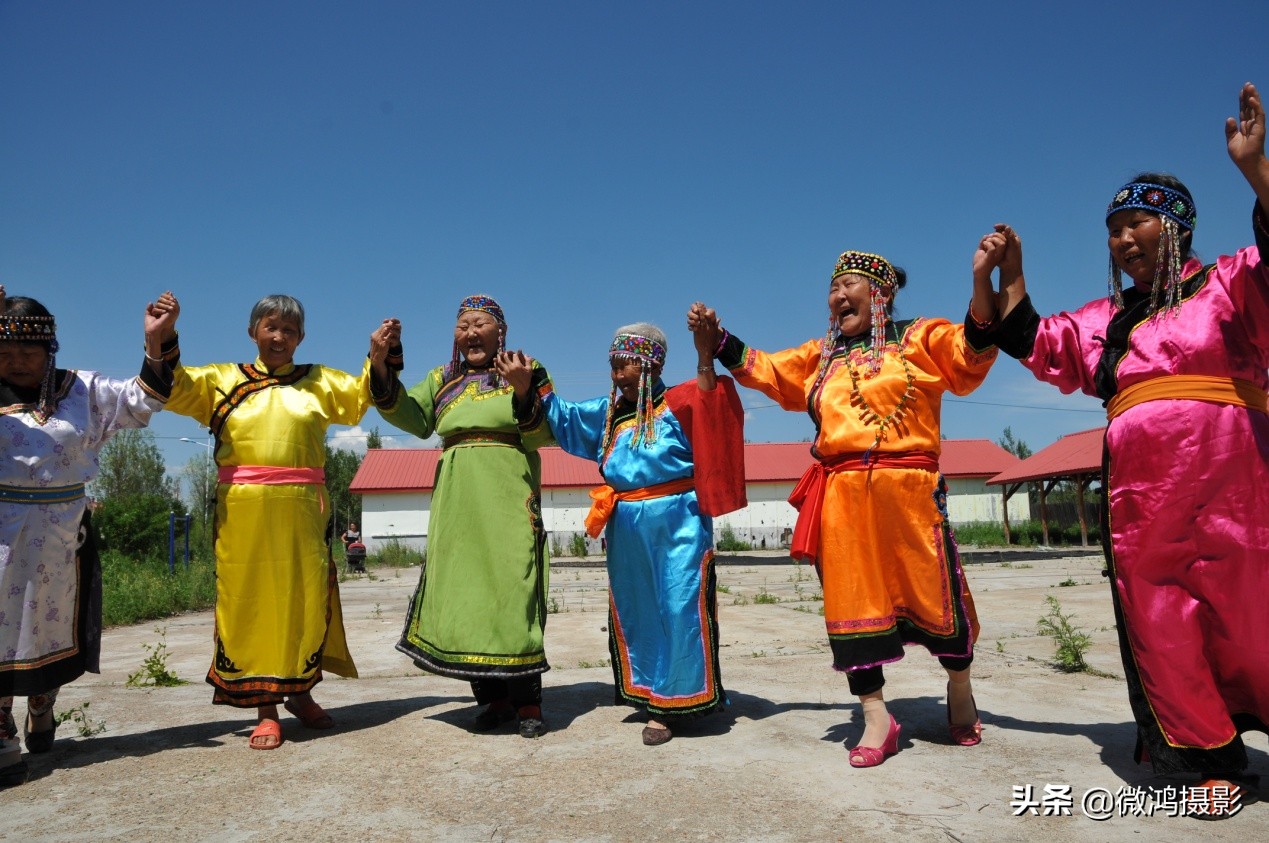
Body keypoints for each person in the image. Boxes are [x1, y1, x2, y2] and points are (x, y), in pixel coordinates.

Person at [981, 82, 1269, 814]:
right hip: (1141, 496)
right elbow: (1034, 342)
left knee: (1252, 606)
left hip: (1237, 476)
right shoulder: (1104, 320)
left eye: (1136, 221)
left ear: (1175, 226)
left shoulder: (1232, 284)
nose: (1121, 237)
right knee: (1161, 614)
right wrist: (1010, 273)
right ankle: (1211, 761)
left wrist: (1254, 169)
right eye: (1112, 228)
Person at [690, 247, 1001, 767]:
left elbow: (971, 352)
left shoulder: (921, 339)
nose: (837, 296)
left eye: (849, 285)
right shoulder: (821, 356)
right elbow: (766, 369)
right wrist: (719, 340)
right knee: (852, 607)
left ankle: (961, 685)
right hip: (843, 497)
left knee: (939, 598)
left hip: (910, 493)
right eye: (833, 289)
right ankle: (876, 716)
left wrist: (982, 279)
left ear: (880, 293)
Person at [498, 318, 746, 746]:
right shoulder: (608, 413)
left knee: (678, 604)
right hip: (626, 525)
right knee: (640, 608)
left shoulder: (681, 403)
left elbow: (713, 404)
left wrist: (706, 356)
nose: (617, 374)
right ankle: (651, 690)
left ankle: (676, 701)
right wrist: (530, 382)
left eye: (626, 364)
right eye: (613, 365)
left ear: (651, 365)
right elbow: (563, 418)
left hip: (678, 520)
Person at [161, 294, 378, 750]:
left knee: (302, 597)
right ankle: (266, 708)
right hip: (243, 509)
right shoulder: (221, 380)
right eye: (271, 326)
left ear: (301, 338)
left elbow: (360, 399)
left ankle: (298, 693)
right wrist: (162, 333)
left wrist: (377, 356)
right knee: (254, 601)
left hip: (302, 508)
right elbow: (173, 385)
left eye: (290, 330)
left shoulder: (318, 381)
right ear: (253, 330)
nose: (279, 337)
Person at [0, 287, 178, 787]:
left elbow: (145, 397)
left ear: (49, 350)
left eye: (27, 352)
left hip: (61, 535)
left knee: (47, 628)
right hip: (0, 532)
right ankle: (1, 731)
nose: (16, 362)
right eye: (5, 352)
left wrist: (156, 342)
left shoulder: (80, 390)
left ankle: (42, 700)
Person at [370, 295, 554, 738]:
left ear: (500, 332)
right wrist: (379, 363)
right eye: (463, 325)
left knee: (513, 588)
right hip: (457, 500)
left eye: (480, 324)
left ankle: (528, 703)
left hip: (508, 491)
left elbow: (547, 429)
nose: (471, 333)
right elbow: (412, 418)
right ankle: (492, 701)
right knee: (466, 592)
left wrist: (524, 389)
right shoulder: (442, 378)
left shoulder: (526, 367)